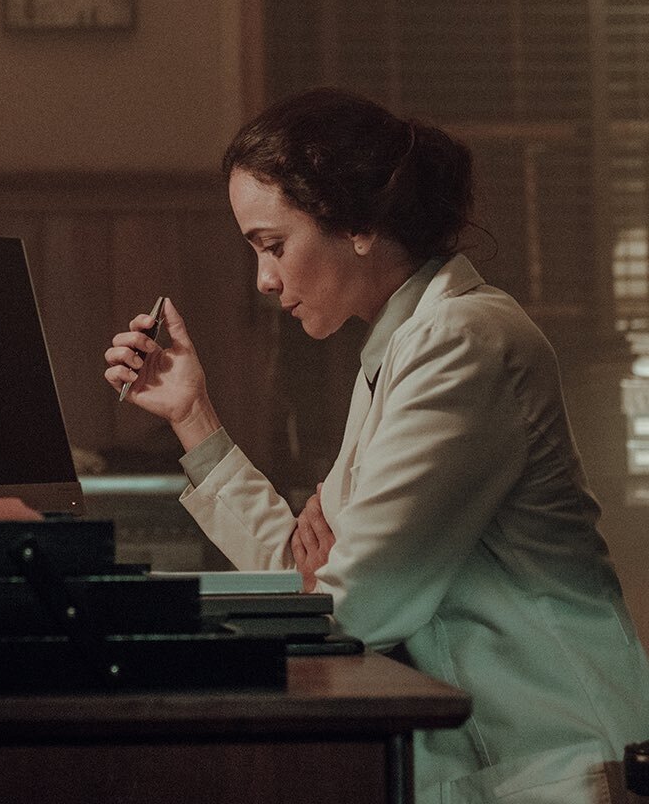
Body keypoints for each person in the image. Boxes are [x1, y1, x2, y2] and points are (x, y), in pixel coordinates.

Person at [104, 88, 649, 804]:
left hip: (566, 767)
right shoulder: (399, 353)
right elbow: (306, 583)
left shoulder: (462, 341)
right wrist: (190, 413)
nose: (264, 280)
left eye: (273, 246)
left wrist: (328, 583)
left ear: (358, 223)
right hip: (504, 771)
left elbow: (351, 605)